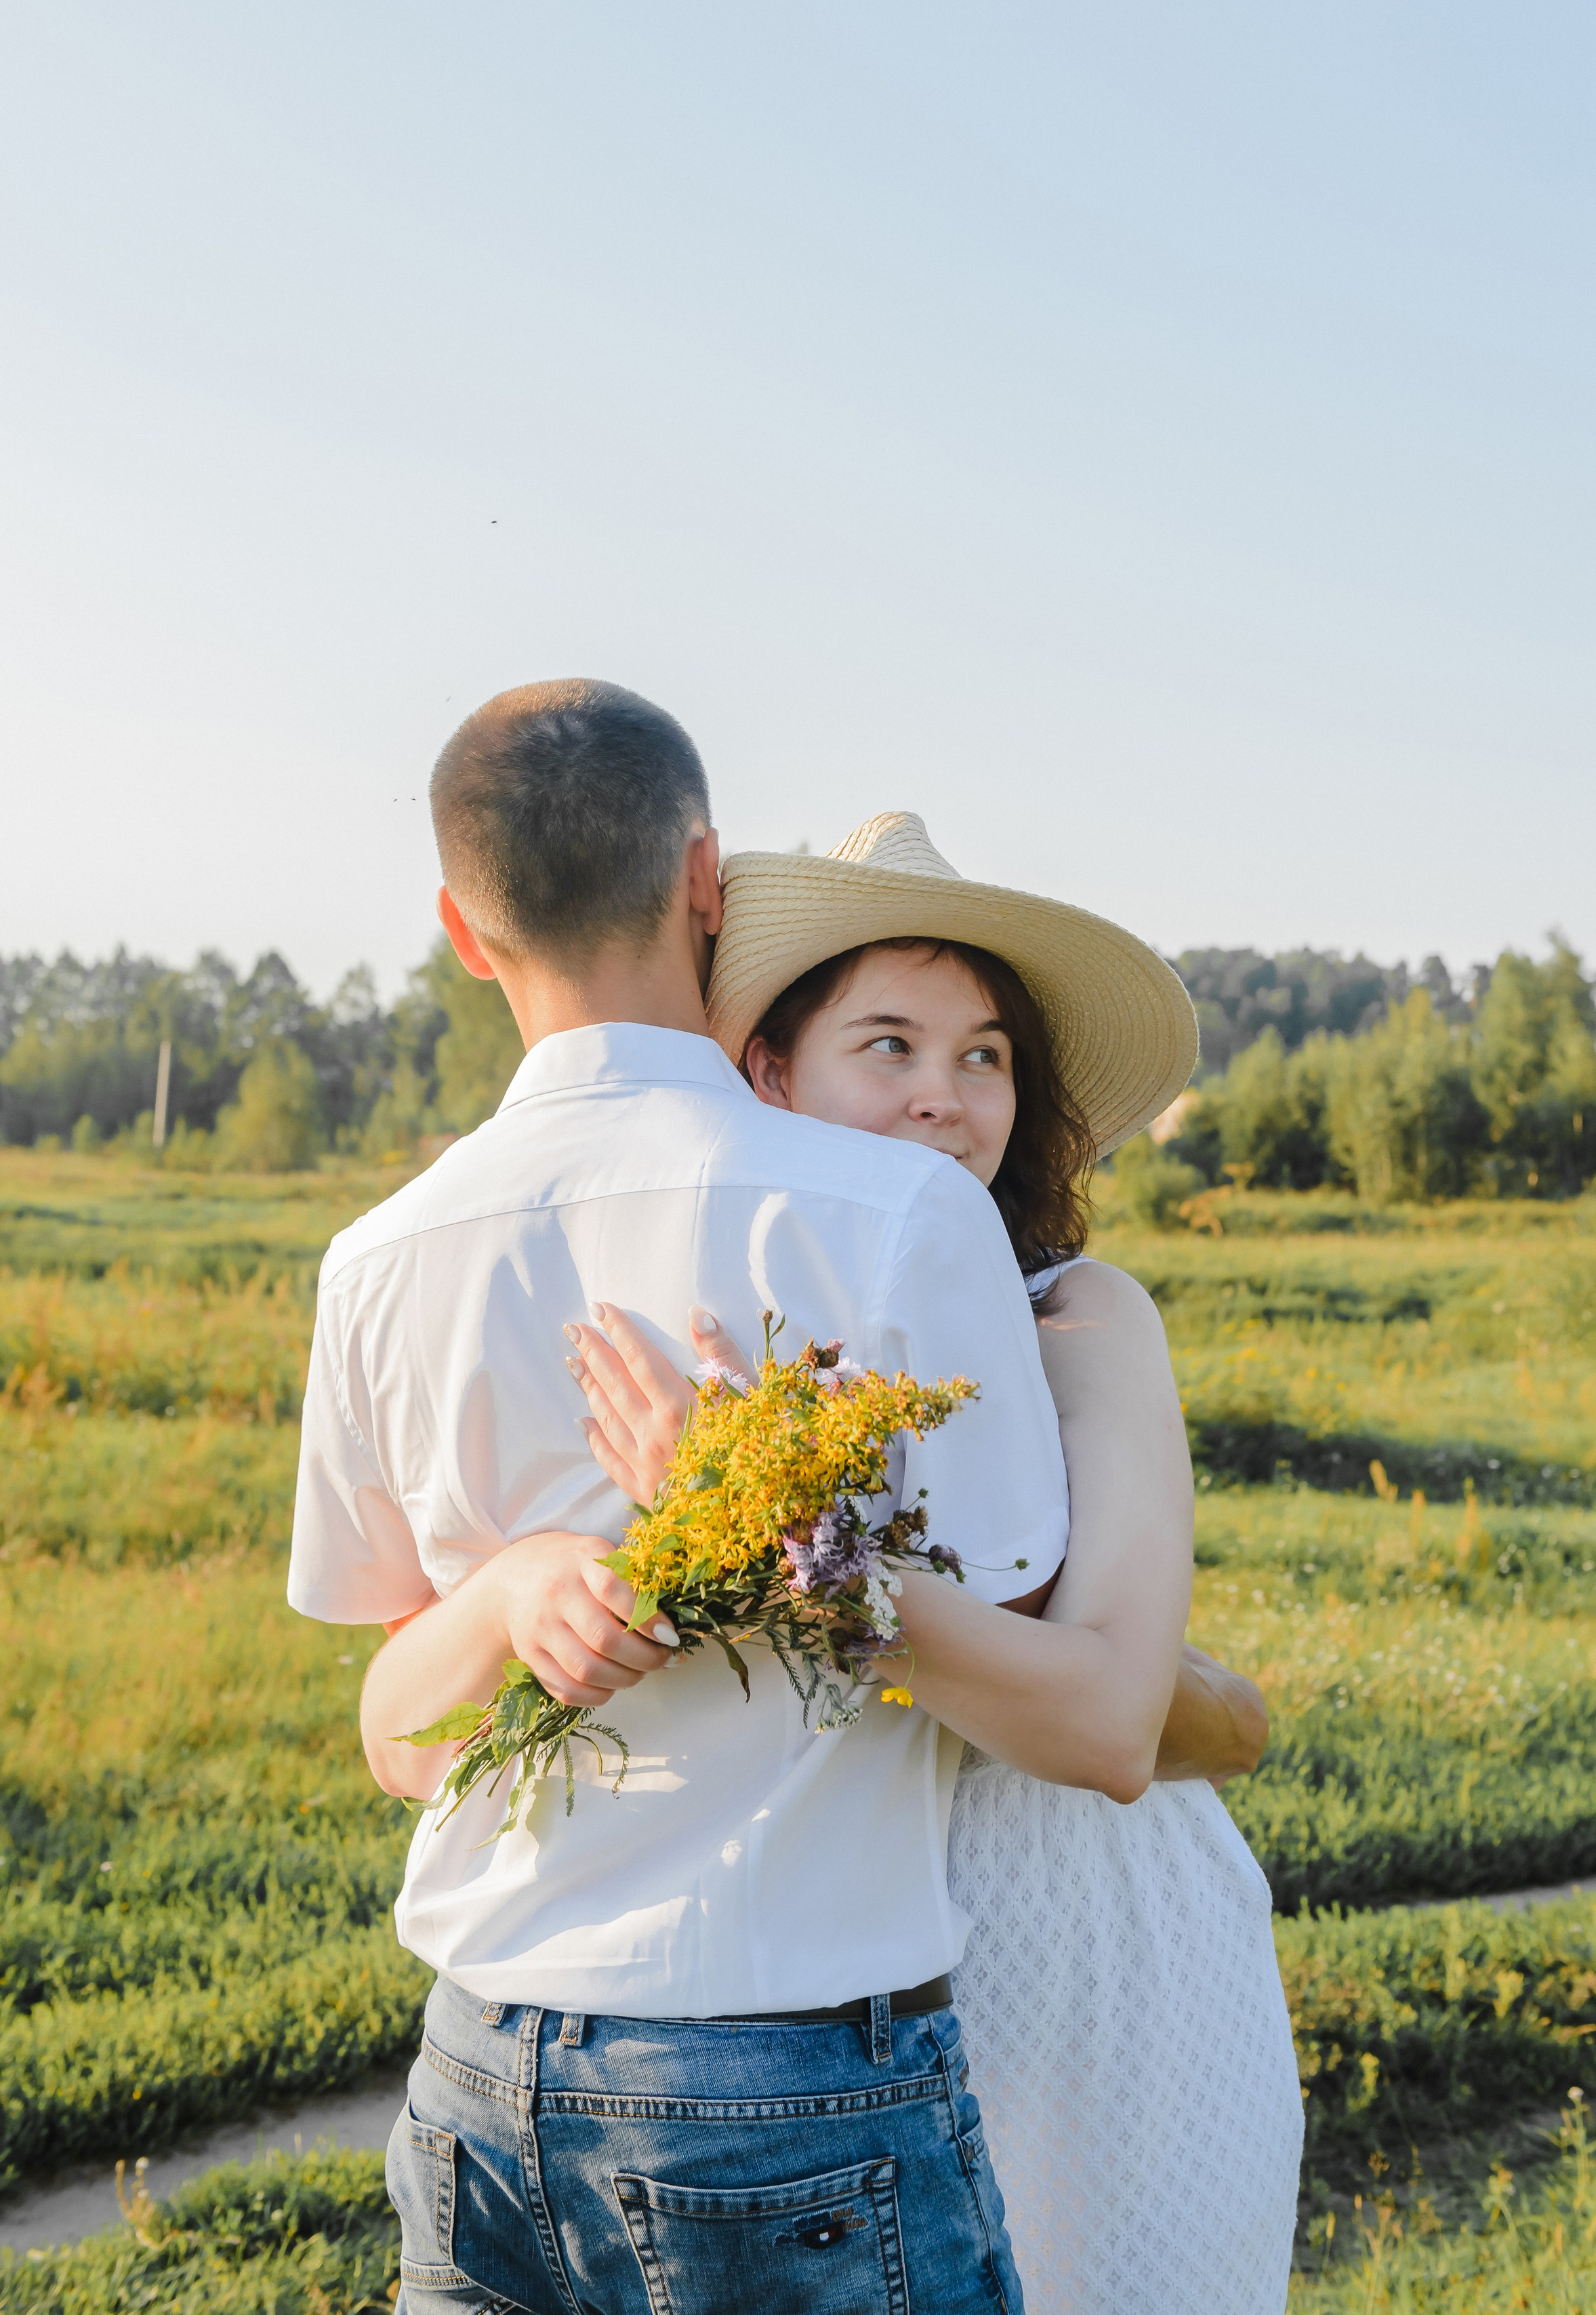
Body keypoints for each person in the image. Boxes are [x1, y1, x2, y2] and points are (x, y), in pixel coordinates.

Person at [289, 683, 1170, 2315]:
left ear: (460, 933)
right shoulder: (908, 1214)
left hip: (478, 2081)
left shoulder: (378, 1258)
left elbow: (407, 1747)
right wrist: (688, 1562)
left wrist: (500, 1594)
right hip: (784, 2098)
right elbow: (1062, 1690)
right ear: (706, 883)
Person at [571, 809, 1305, 2315]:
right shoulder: (683, 1348)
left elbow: (1109, 1722)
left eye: (983, 1056)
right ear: (769, 1071)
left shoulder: (1077, 1317)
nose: (945, 1098)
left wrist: (801, 1558)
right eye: (889, 1045)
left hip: (1094, 1940)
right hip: (807, 1966)